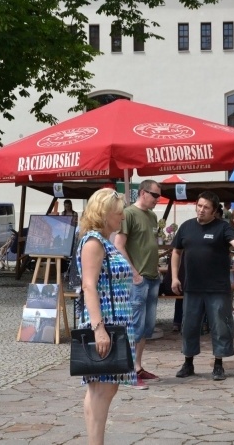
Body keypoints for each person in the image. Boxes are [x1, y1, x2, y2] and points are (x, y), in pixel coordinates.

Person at [170, 191, 234, 381]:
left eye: (206, 208)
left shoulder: (222, 227)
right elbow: (176, 252)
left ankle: (218, 364)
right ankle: (188, 363)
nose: (201, 210)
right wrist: (174, 277)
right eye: (199, 205)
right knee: (189, 326)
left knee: (220, 326)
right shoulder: (186, 227)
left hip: (217, 287)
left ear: (214, 211)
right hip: (192, 286)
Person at [76, 188, 136, 445]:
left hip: (115, 321)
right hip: (106, 322)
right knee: (103, 389)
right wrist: (98, 328)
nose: (122, 217)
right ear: (104, 213)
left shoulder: (103, 241)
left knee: (100, 389)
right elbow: (89, 285)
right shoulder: (93, 242)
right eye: (118, 213)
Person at [113, 179, 161, 388]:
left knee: (146, 326)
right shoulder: (129, 214)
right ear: (143, 193)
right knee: (134, 325)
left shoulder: (151, 216)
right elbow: (119, 244)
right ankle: (128, 370)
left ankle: (138, 366)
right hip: (138, 279)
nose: (158, 200)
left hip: (152, 276)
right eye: (155, 195)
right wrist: (134, 273)